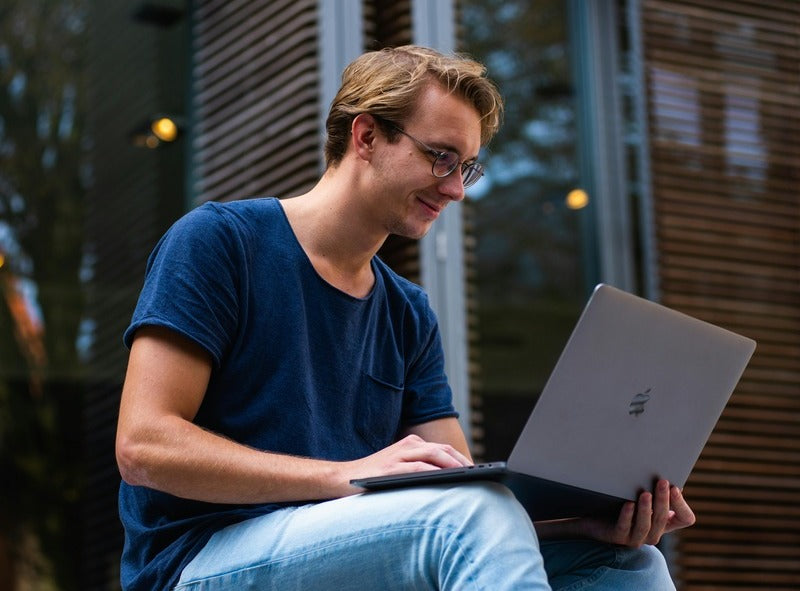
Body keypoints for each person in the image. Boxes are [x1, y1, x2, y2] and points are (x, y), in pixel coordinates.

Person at [115, 45, 695, 591]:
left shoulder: (407, 311)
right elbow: (143, 448)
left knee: (628, 564)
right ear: (366, 135)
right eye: (441, 157)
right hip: (200, 560)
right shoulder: (220, 243)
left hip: (347, 550)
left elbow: (463, 497)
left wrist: (578, 524)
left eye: (467, 168)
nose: (455, 190)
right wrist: (346, 475)